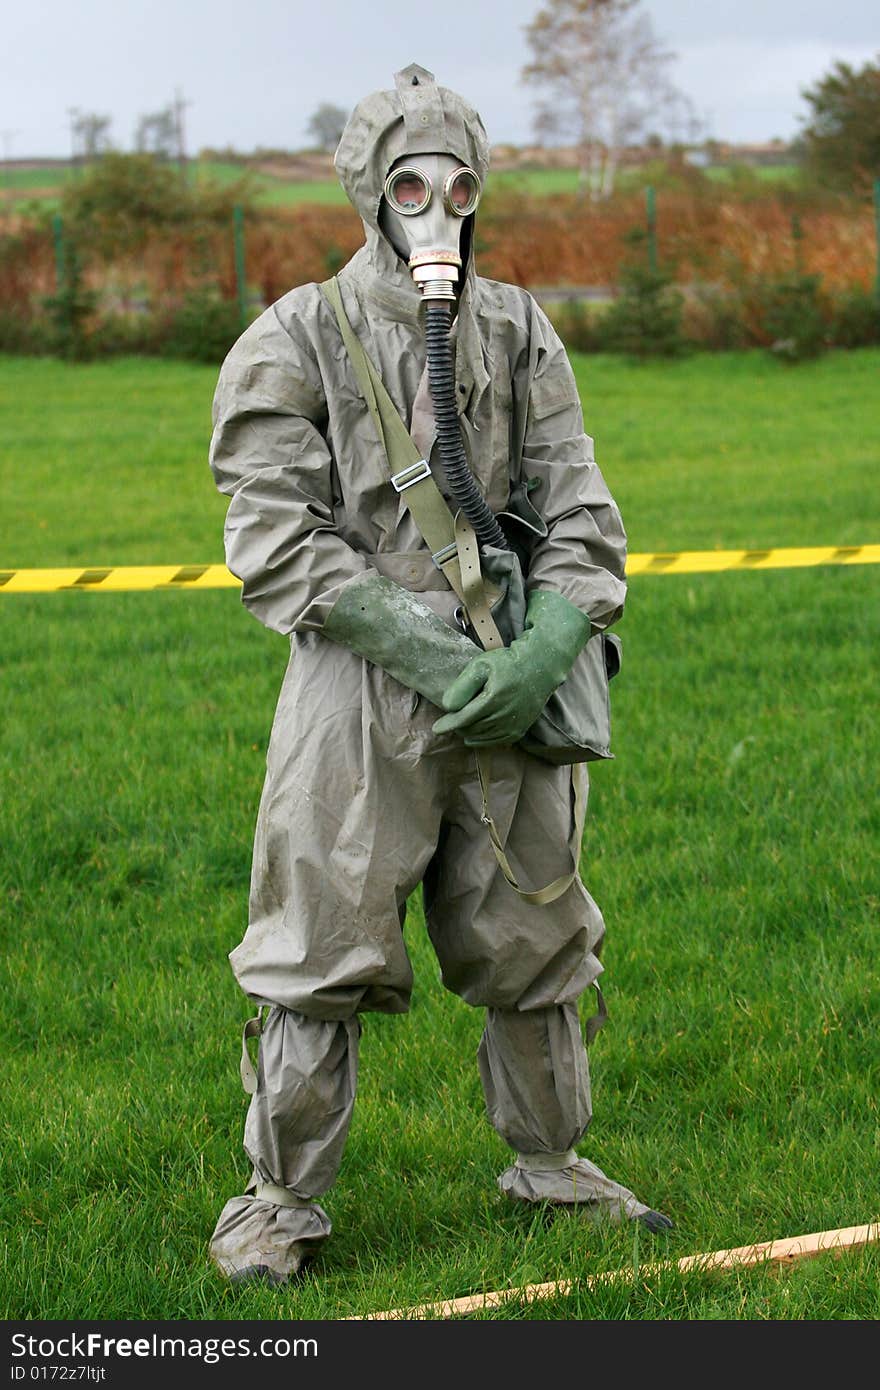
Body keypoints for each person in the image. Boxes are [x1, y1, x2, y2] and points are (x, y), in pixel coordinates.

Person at [207, 62, 671, 1286]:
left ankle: (554, 1163)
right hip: (359, 689)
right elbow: (272, 536)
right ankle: (279, 1203)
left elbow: (581, 509)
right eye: (409, 182)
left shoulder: (517, 327)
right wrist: (422, 645)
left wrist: (546, 649)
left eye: (459, 185)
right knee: (317, 944)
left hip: (509, 667)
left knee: (535, 937)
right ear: (367, 190)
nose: (437, 208)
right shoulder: (295, 336)